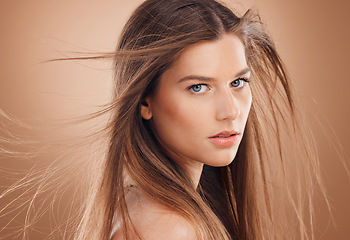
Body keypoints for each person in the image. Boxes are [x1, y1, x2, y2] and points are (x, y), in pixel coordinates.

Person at [1, 0, 327, 239]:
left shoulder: (143, 203)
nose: (230, 110)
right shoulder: (169, 227)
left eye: (238, 82)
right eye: (199, 87)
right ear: (145, 100)